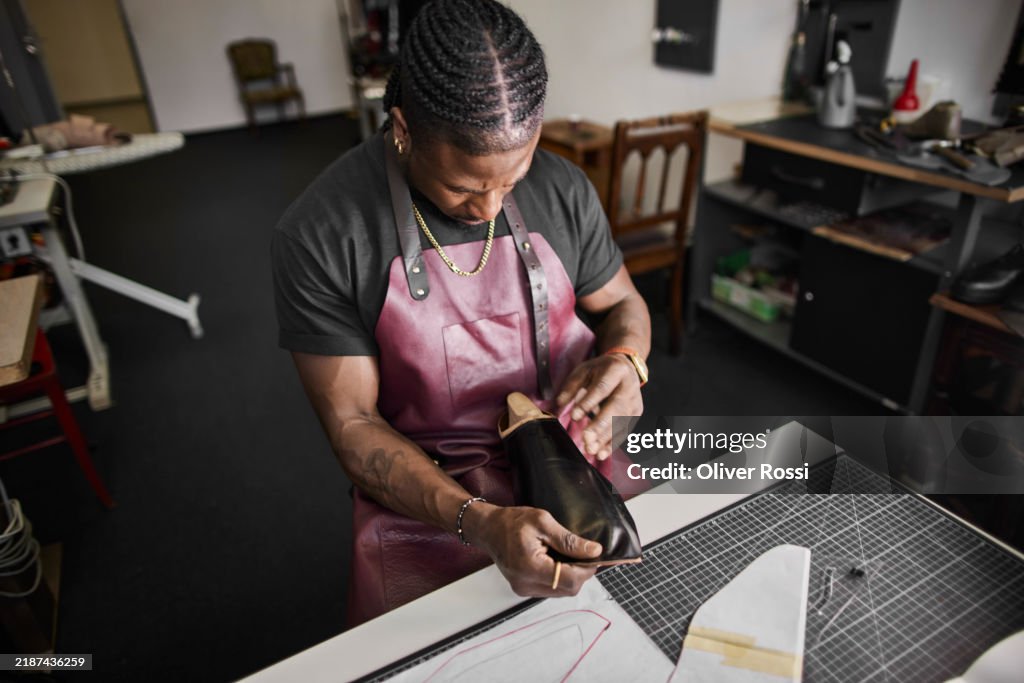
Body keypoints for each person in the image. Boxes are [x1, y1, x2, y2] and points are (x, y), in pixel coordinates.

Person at [272, 0, 651, 626]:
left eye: (513, 177)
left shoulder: (563, 187)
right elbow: (353, 426)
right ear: (403, 128)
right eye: (466, 187)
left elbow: (624, 304)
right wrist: (481, 522)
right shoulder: (322, 234)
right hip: (432, 499)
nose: (491, 206)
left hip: (578, 465)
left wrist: (625, 360)